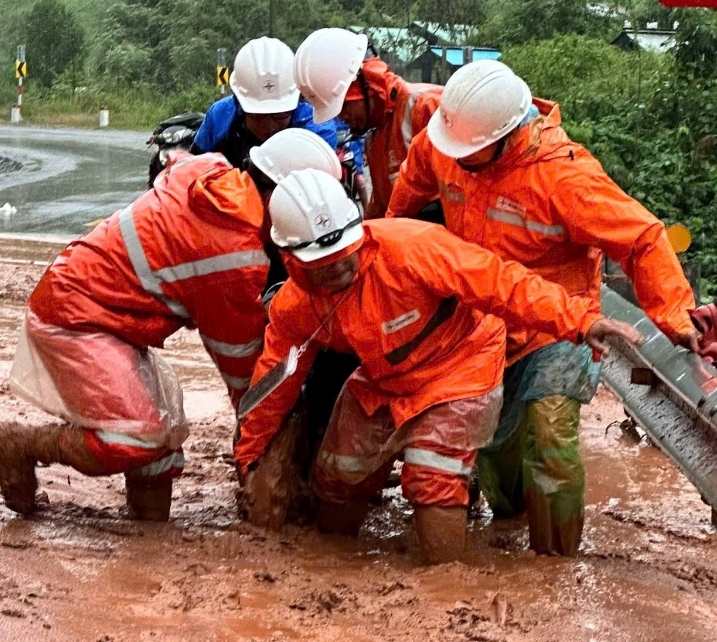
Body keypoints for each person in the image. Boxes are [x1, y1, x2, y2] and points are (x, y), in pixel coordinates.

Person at [234, 169, 642, 563]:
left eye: (344, 252)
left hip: (460, 365)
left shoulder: (415, 248)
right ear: (291, 260)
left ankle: (446, 591)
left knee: (433, 480)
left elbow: (503, 284)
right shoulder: (295, 307)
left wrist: (580, 320)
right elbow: (274, 383)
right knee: (338, 476)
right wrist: (249, 458)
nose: (339, 265)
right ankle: (336, 567)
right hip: (386, 379)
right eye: (323, 262)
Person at [387, 59, 702, 556]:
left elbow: (641, 238)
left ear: (508, 135)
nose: (460, 161)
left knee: (551, 436)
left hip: (561, 326)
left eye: (472, 154)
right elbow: (409, 191)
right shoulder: (445, 143)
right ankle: (509, 521)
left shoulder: (564, 177)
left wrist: (675, 313)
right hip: (482, 325)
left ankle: (554, 566)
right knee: (493, 448)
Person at [0, 128, 343, 522]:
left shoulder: (212, 173)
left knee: (162, 439)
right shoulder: (232, 256)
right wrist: (263, 458)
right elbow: (244, 377)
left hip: (95, 305)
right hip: (77, 316)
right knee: (137, 435)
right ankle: (24, 445)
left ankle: (148, 537)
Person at [293, 27, 443, 219]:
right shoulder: (375, 138)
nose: (342, 119)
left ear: (368, 85)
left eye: (344, 107)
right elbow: (382, 206)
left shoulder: (427, 107)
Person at [191, 37, 337, 168]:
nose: (269, 125)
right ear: (239, 105)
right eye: (257, 115)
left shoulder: (317, 129)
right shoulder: (220, 117)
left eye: (279, 115)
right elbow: (193, 170)